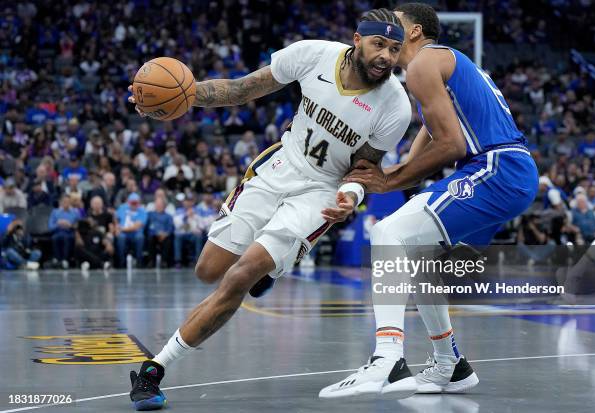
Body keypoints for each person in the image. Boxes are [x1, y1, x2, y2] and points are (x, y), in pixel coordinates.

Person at [127, 8, 411, 410]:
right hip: (280, 165)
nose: (386, 55)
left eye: (395, 49)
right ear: (356, 39)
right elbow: (241, 89)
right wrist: (178, 99)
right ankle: (265, 269)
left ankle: (154, 370)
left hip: (321, 191)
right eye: (379, 44)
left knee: (240, 276)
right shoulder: (312, 55)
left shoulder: (395, 106)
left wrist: (351, 197)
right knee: (208, 270)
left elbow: (362, 169)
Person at [320, 3, 538, 399]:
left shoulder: (423, 65)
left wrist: (388, 181)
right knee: (413, 252)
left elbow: (451, 143)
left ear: (416, 31)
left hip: (495, 167)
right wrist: (401, 172)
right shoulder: (436, 66)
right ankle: (450, 364)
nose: (389, 26)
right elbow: (434, 132)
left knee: (387, 230)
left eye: (397, 23)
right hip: (504, 170)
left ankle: (387, 358)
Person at [115, 192, 147, 267]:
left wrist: (121, 229)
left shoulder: (142, 211)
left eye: (136, 203)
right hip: (123, 233)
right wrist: (116, 227)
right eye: (132, 203)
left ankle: (139, 261)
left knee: (140, 238)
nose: (134, 205)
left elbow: (136, 226)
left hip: (135, 232)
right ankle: (121, 262)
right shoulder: (122, 208)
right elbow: (116, 218)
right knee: (120, 238)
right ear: (128, 202)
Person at [48, 194, 80, 269]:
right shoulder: (55, 212)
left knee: (67, 238)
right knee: (55, 238)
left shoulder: (75, 212)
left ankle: (65, 260)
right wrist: (58, 224)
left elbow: (78, 226)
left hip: (69, 232)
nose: (66, 203)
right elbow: (50, 227)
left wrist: (70, 225)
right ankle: (58, 260)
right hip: (58, 232)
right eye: (64, 202)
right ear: (61, 202)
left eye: (68, 202)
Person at [146, 197, 174, 268]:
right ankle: (151, 261)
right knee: (150, 239)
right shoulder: (150, 214)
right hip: (153, 235)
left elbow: (170, 228)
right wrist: (156, 233)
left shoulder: (168, 216)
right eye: (157, 204)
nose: (158, 206)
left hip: (165, 235)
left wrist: (165, 234)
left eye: (160, 204)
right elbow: (148, 227)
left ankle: (164, 261)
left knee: (168, 240)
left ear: (164, 206)